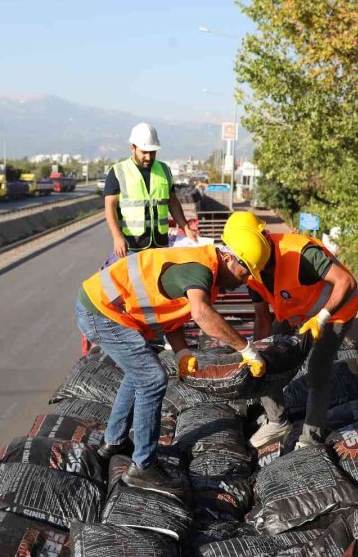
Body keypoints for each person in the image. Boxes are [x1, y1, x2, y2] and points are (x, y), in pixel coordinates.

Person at [75, 236, 270, 496]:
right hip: (102, 312)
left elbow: (171, 312)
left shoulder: (203, 268)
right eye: (244, 272)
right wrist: (247, 349)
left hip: (108, 309)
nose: (244, 281)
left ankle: (114, 442)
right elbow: (201, 314)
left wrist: (181, 353)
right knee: (152, 379)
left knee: (138, 375)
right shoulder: (199, 270)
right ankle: (142, 467)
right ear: (228, 258)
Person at [221, 212, 358, 449]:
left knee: (318, 368)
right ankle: (278, 421)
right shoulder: (251, 267)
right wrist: (256, 354)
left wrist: (322, 317)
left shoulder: (301, 253)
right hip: (296, 312)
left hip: (335, 312)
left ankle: (311, 437)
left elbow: (346, 282)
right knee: (264, 358)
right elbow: (262, 316)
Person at [103, 122, 197, 260]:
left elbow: (172, 202)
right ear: (133, 147)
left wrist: (186, 228)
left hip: (160, 245)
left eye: (152, 152)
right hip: (132, 247)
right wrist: (117, 237)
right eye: (144, 152)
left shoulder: (164, 170)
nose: (149, 157)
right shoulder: (118, 171)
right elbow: (109, 207)